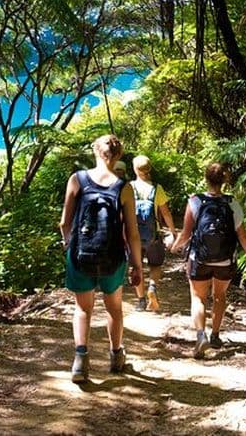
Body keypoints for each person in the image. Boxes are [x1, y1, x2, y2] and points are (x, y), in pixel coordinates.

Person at [59, 134, 143, 383]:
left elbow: (65, 222)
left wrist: (68, 245)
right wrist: (137, 265)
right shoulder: (124, 187)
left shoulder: (77, 180)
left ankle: (80, 361)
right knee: (114, 308)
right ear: (118, 156)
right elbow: (133, 233)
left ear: (94, 151)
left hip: (80, 254)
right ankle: (117, 356)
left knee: (83, 308)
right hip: (113, 258)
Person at [170, 162, 246, 358]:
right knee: (219, 296)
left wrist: (174, 246)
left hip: (200, 259)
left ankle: (200, 336)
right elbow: (243, 237)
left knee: (198, 297)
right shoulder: (232, 203)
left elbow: (185, 234)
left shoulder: (195, 201)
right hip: (225, 261)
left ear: (206, 178)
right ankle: (215, 335)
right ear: (224, 181)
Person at [131, 155, 177, 312]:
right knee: (155, 265)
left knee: (136, 267)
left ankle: (140, 301)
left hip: (134, 235)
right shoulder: (157, 188)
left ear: (135, 169)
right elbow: (166, 213)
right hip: (153, 234)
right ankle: (152, 287)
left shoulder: (129, 187)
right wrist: (172, 232)